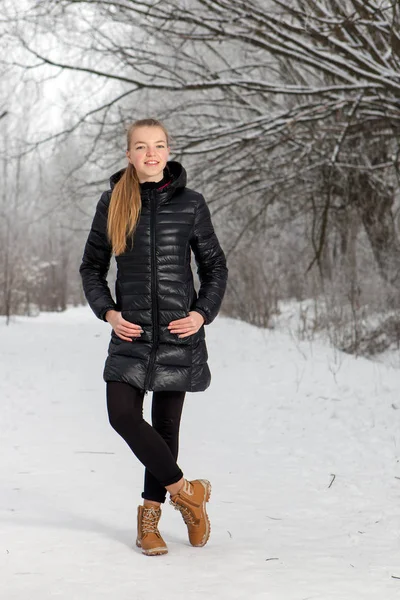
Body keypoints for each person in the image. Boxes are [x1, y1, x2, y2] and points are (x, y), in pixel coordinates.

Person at [79, 117, 228, 556]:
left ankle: (150, 520)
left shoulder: (192, 204)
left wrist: (202, 314)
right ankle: (188, 494)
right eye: (141, 147)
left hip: (178, 333)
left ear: (168, 151)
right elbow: (91, 267)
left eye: (158, 146)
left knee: (165, 428)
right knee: (122, 415)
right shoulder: (112, 203)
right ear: (129, 154)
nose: (151, 153)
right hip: (131, 333)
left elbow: (215, 266)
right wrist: (107, 312)